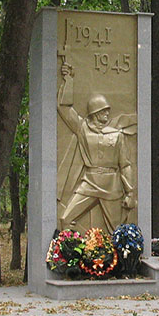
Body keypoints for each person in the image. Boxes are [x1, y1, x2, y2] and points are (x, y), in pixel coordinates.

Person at [57, 63, 136, 232]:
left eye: (108, 111)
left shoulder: (117, 135)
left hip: (111, 185)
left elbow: (126, 165)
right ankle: (74, 253)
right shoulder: (82, 128)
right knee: (65, 219)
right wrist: (68, 80)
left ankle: (120, 258)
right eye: (103, 111)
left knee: (118, 231)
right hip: (90, 182)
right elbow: (64, 108)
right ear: (95, 113)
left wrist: (130, 193)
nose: (107, 114)